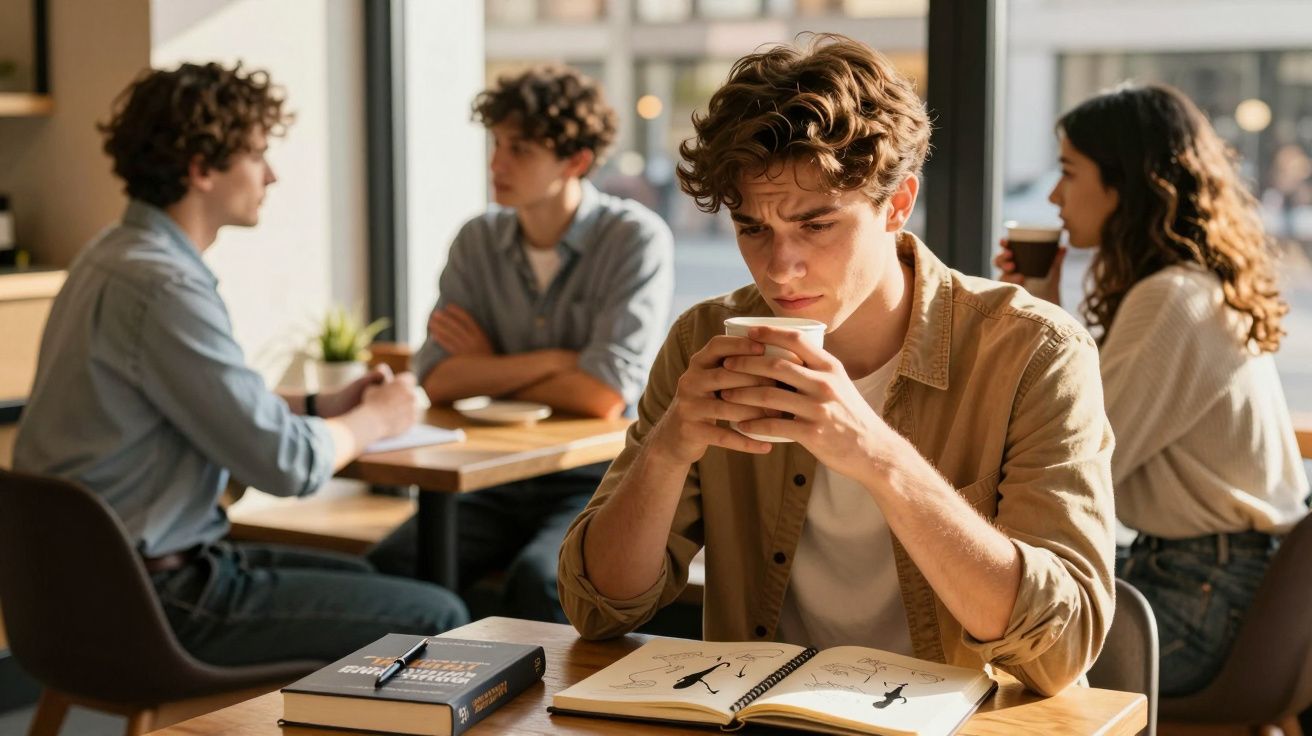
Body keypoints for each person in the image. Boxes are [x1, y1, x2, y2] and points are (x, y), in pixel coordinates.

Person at [558, 34, 1116, 696]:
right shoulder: (704, 340)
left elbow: (1064, 648)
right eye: (753, 228)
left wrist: (879, 456)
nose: (779, 267)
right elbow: (596, 607)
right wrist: (668, 448)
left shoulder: (1033, 353)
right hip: (758, 716)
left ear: (898, 205)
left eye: (816, 225)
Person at [13, 62, 468, 667]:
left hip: (75, 592)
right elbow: (288, 464)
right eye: (257, 155)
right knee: (440, 619)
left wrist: (317, 406)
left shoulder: (110, 257)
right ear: (201, 169)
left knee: (382, 573)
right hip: (157, 598)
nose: (272, 174)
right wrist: (377, 419)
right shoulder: (163, 287)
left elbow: (193, 407)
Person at [995, 83, 1310, 697]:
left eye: (1068, 172)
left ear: (1126, 183)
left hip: (1201, 598)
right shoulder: (1192, 285)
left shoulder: (1169, 300)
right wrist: (1050, 307)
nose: (1056, 196)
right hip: (1234, 589)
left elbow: (1081, 463)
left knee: (996, 644)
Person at [367, 64, 674, 624]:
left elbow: (603, 393)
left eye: (521, 149)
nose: (496, 164)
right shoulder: (477, 240)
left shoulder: (633, 239)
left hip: (596, 474)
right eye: (497, 144)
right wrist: (558, 361)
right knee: (394, 563)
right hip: (495, 473)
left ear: (575, 161)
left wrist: (485, 364)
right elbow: (436, 377)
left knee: (543, 580)